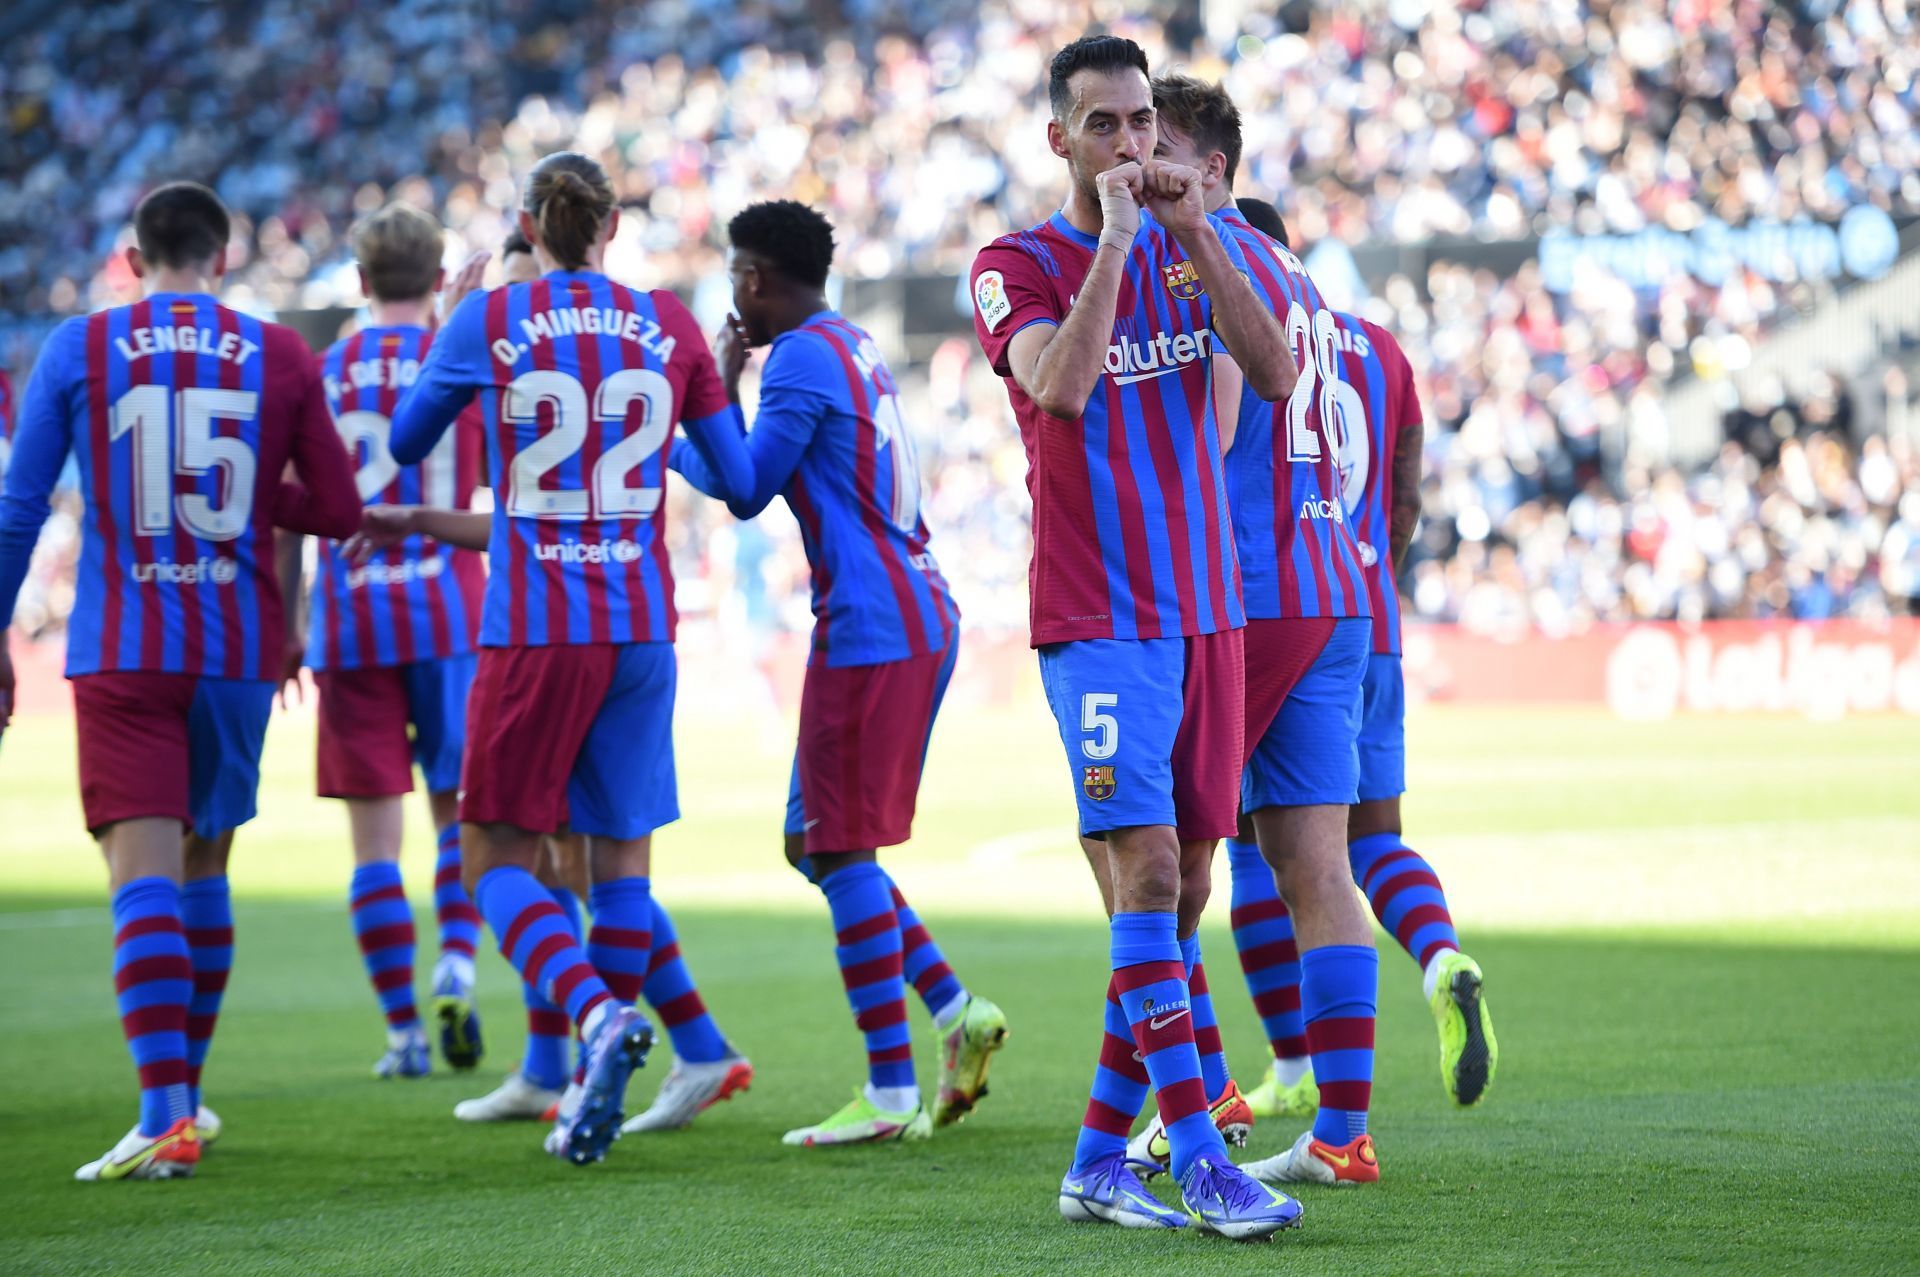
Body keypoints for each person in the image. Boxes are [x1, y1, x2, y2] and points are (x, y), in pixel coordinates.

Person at [968, 35, 1304, 1239]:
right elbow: (1056, 388)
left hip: (1210, 608)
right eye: (1104, 124)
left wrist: (1201, 229)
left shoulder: (1189, 239)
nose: (1131, 144)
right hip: (1099, 614)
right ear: (1060, 138)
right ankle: (1202, 1158)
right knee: (1147, 873)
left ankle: (1098, 1160)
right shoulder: (1016, 262)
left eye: (1144, 121)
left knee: (1186, 887)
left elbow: (1271, 374)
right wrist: (1118, 234)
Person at [383, 151, 754, 1166]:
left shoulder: (490, 320)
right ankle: (602, 1058)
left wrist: (461, 334)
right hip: (641, 623)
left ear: (528, 227)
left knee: (493, 854)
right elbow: (744, 483)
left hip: (538, 625)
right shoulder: (670, 323)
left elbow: (412, 435)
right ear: (613, 228)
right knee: (619, 861)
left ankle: (595, 1021)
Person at [0, 181, 361, 1180]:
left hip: (125, 644)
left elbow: (21, 505)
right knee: (206, 869)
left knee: (142, 874)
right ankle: (186, 1101)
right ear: (224, 252)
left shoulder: (79, 346)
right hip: (237, 648)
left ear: (132, 255)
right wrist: (241, 490)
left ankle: (164, 1108)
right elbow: (337, 509)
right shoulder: (280, 352)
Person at [673, 200, 1007, 1147]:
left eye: (735, 273)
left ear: (752, 279)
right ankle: (953, 1008)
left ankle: (889, 1089)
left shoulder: (800, 358)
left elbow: (743, 486)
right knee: (811, 841)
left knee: (838, 850)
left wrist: (691, 414)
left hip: (872, 622)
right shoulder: (846, 341)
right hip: (907, 606)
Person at [1103, 74, 1380, 1189]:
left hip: (1251, 591)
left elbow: (1214, 437)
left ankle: (1202, 1087)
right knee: (1317, 863)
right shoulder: (1299, 276)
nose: (1139, 161)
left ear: (1212, 168)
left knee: (1157, 856)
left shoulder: (1207, 259)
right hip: (1335, 583)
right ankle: (1343, 1131)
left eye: (1157, 143)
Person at [1230, 196, 1500, 1113]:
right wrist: (1372, 556)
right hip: (1365, 603)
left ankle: (1294, 1068)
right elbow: (1408, 484)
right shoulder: (1379, 348)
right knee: (1371, 837)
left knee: (1249, 846)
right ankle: (1441, 954)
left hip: (1280, 601)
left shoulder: (1251, 327)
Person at [287, 203, 490, 1080]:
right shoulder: (460, 359)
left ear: (361, 283)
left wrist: (292, 616)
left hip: (350, 615)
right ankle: (458, 961)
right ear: (437, 275)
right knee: (458, 813)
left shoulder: (322, 370)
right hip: (451, 608)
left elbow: (290, 500)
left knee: (373, 843)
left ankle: (404, 1033)